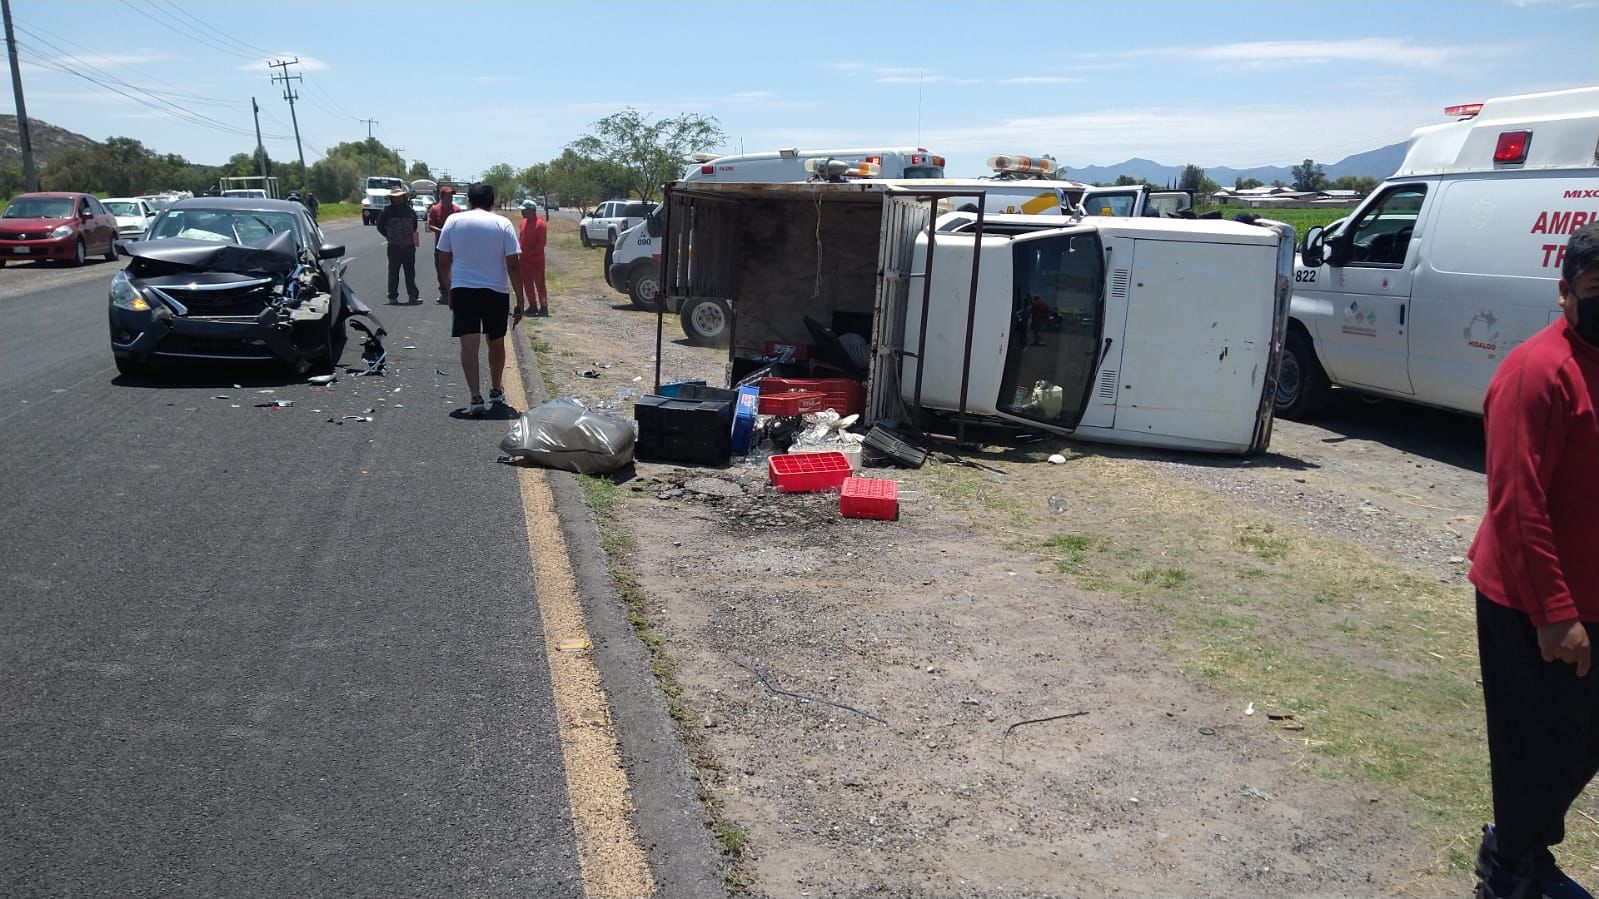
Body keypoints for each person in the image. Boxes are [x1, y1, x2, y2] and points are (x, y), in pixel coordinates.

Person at [1469, 222, 1599, 899]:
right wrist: (1554, 613)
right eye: (1595, 289)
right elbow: (1517, 503)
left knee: (1579, 743)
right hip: (1532, 603)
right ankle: (1511, 871)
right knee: (1537, 745)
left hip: (1591, 598)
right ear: (1564, 291)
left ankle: (1517, 845)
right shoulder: (1536, 369)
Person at [436, 182, 526, 416]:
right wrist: (520, 298)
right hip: (495, 291)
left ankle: (475, 397)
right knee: (496, 342)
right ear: (492, 202)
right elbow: (514, 265)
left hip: (464, 289)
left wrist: (449, 290)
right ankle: (496, 389)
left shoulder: (453, 221)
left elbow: (443, 260)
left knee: (469, 344)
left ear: (470, 201)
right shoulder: (502, 223)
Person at [375, 186, 420, 304]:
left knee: (410, 272)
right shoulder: (386, 211)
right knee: (394, 272)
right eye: (395, 197)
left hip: (409, 246)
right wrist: (389, 236)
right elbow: (380, 226)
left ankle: (413, 296)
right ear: (392, 198)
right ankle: (392, 297)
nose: (398, 199)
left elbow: (414, 226)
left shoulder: (410, 211)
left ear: (404, 197)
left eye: (400, 197)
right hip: (394, 246)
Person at [427, 186, 460, 304]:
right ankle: (444, 293)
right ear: (442, 197)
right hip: (440, 245)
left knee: (455, 269)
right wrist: (442, 231)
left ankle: (454, 292)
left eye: (452, 196)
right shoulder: (435, 209)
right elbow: (430, 225)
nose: (450, 198)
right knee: (441, 268)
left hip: (455, 246)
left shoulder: (457, 210)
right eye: (448, 196)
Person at [517, 200, 548, 316]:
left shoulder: (540, 225)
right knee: (527, 283)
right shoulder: (523, 223)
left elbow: (541, 244)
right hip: (525, 261)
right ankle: (532, 305)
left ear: (531, 210)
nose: (522, 212)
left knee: (539, 283)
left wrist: (529, 253)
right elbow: (521, 239)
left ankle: (544, 307)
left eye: (524, 210)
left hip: (536, 261)